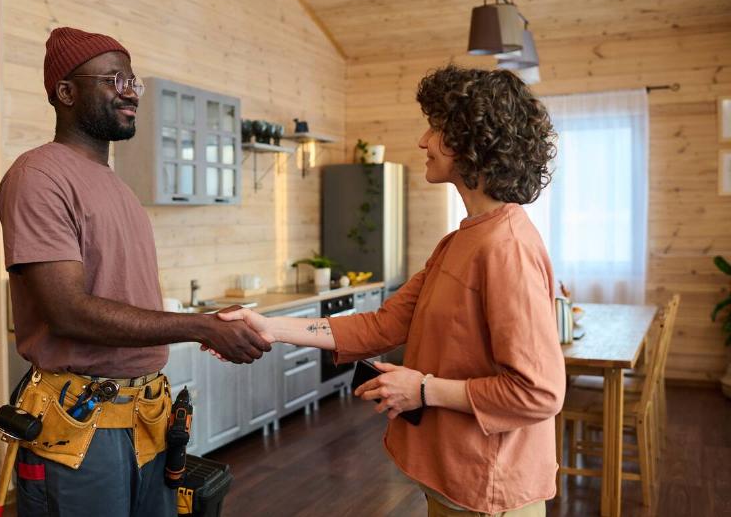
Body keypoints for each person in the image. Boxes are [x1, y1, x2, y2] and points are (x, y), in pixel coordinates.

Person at [217, 65, 566, 517]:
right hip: (453, 479)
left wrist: (423, 389)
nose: (423, 140)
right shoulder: (461, 240)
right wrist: (269, 327)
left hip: (490, 490)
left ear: (473, 142)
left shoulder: (507, 248)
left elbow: (538, 393)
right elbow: (382, 325)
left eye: (436, 128)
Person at [0, 27, 270, 517]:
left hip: (149, 418)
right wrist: (198, 325)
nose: (130, 92)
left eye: (133, 81)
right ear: (65, 92)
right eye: (114, 79)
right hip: (80, 426)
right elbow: (68, 312)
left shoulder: (117, 186)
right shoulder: (38, 176)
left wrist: (207, 320)